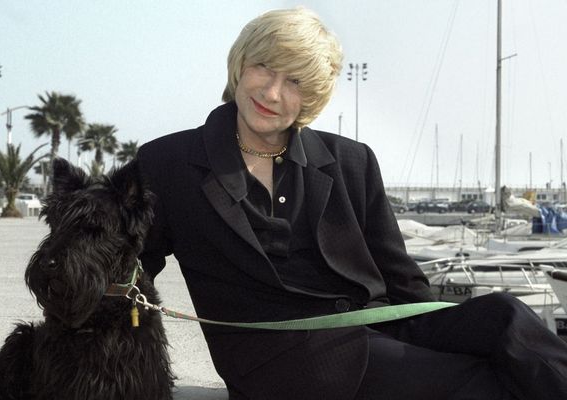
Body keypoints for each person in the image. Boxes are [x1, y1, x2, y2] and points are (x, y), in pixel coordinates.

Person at [137, 7, 567, 400]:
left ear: (313, 97)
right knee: (484, 384)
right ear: (240, 65)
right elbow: (125, 269)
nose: (271, 93)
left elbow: (402, 283)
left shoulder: (350, 160)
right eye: (263, 67)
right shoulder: (168, 162)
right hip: (283, 359)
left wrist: (440, 330)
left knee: (504, 314)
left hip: (378, 326)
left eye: (295, 81)